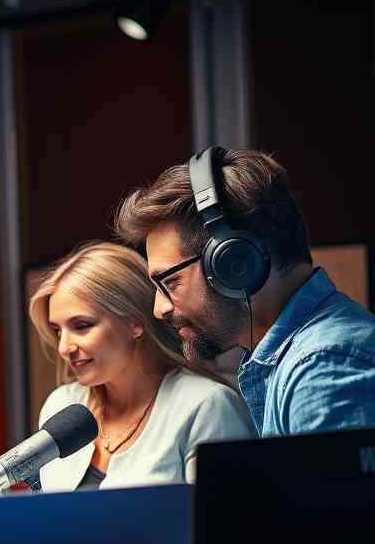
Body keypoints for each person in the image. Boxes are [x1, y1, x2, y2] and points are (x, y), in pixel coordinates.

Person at [114, 146, 375, 436]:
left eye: (170, 282)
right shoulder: (301, 358)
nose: (159, 309)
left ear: (234, 263)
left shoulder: (321, 372)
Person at [29, 242, 255, 490]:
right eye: (58, 331)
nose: (64, 347)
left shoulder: (207, 405)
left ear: (135, 322)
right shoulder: (60, 405)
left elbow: (225, 524)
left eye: (82, 326)